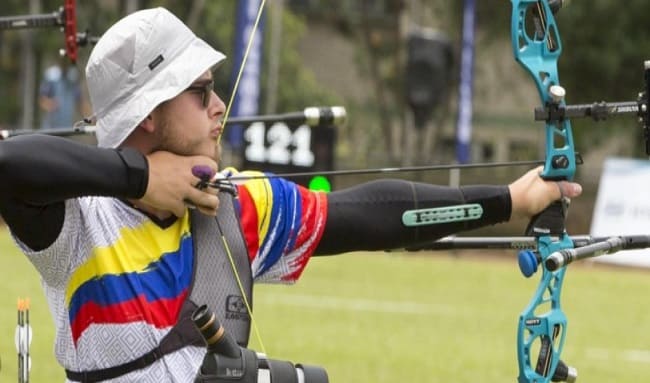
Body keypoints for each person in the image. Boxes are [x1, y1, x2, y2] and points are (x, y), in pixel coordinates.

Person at [0, 7, 582, 383]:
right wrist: (144, 179)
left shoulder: (235, 207)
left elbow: (368, 216)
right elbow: (10, 162)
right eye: (200, 93)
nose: (219, 108)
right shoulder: (79, 223)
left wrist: (508, 200)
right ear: (149, 114)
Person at [38, 60, 83, 130]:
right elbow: (42, 101)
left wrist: (91, 118)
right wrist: (51, 104)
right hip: (51, 128)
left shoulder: (73, 77)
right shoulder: (51, 76)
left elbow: (80, 103)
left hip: (67, 128)